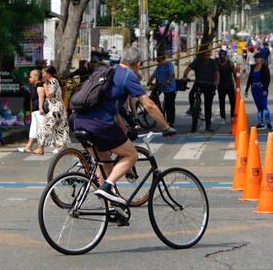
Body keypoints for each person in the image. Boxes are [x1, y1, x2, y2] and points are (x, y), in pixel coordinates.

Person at [71, 44, 176, 205]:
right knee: (131, 155)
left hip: (78, 121)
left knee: (104, 163)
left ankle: (111, 209)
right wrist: (166, 127)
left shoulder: (108, 71)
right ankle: (106, 187)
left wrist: (124, 130)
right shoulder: (127, 75)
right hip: (99, 125)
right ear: (139, 64)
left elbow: (115, 111)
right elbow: (149, 105)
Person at [182, 49, 218, 133]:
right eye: (206, 55)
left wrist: (216, 82)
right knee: (191, 94)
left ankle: (208, 126)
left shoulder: (213, 62)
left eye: (209, 55)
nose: (207, 57)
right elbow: (188, 69)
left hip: (209, 84)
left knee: (208, 106)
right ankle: (192, 108)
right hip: (198, 83)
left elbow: (217, 73)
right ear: (202, 56)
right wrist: (184, 76)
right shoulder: (197, 61)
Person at [40, 66, 70, 153]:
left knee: (46, 125)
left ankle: (41, 146)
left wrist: (45, 86)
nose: (42, 75)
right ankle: (61, 146)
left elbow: (49, 95)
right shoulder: (52, 81)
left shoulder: (53, 81)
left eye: (43, 73)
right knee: (59, 126)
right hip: (56, 107)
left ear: (48, 74)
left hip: (56, 108)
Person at [21, 69, 45, 154]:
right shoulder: (36, 86)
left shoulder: (39, 85)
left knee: (41, 128)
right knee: (34, 129)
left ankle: (41, 147)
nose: (29, 78)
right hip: (36, 111)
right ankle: (28, 146)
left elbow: (41, 96)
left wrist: (40, 108)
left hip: (39, 111)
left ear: (36, 77)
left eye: (31, 77)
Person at [151, 50, 177, 126]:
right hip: (160, 85)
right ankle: (156, 110)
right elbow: (154, 75)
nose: (156, 60)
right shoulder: (159, 66)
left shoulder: (168, 64)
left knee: (170, 104)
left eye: (157, 58)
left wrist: (168, 81)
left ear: (161, 58)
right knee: (152, 96)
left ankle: (170, 121)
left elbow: (172, 74)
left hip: (169, 87)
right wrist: (149, 81)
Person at [248, 50, 272, 130]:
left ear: (261, 59)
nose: (256, 59)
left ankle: (268, 123)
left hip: (262, 89)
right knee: (259, 107)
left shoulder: (265, 67)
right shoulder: (252, 67)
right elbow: (249, 78)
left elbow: (268, 79)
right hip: (254, 89)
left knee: (264, 106)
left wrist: (265, 89)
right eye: (255, 58)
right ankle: (261, 123)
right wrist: (246, 89)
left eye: (258, 58)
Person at [215, 50, 238, 121]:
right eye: (220, 56)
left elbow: (234, 74)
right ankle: (223, 117)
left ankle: (232, 116)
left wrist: (237, 84)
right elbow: (213, 74)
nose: (222, 57)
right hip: (220, 86)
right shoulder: (216, 64)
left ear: (226, 56)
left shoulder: (230, 63)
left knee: (232, 102)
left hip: (230, 85)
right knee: (221, 102)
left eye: (223, 56)